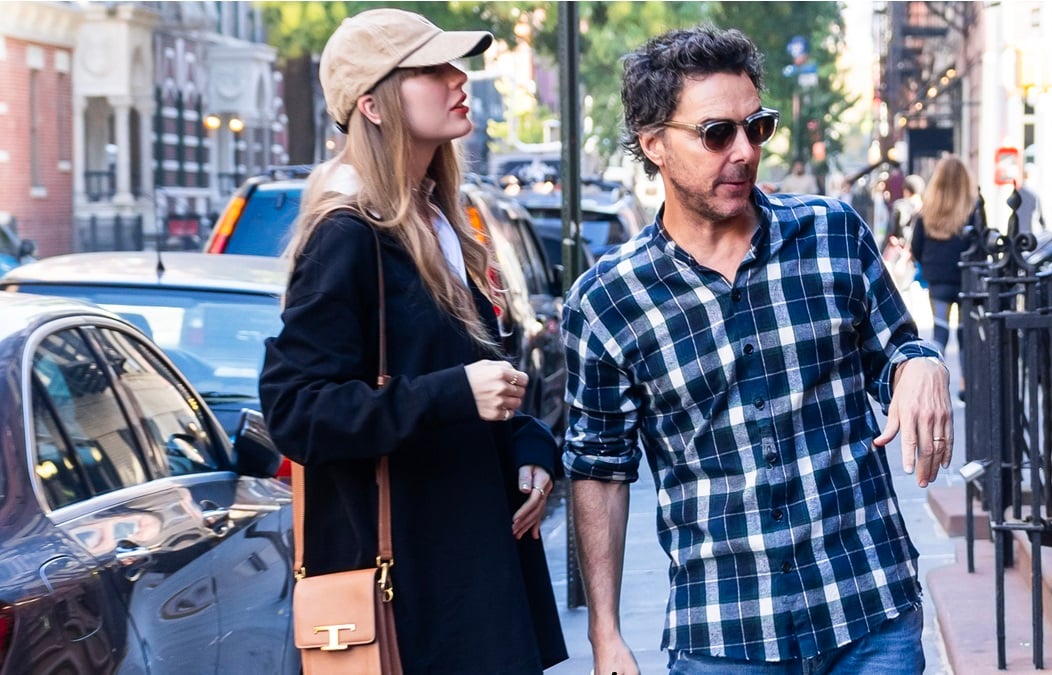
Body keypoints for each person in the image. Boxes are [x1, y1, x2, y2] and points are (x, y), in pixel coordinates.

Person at [562, 25, 953, 675]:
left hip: (868, 609)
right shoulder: (608, 300)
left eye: (757, 127)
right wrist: (605, 632)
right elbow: (599, 469)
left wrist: (925, 362)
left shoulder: (831, 234)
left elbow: (900, 348)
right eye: (717, 133)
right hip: (725, 632)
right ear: (654, 143)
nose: (743, 151)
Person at [257, 9, 567, 673]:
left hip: (477, 573)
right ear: (372, 104)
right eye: (431, 70)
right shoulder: (348, 236)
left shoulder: (440, 224)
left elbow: (483, 378)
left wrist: (532, 445)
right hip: (417, 602)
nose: (460, 79)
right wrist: (449, 394)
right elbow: (296, 410)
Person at [909, 155, 975, 397]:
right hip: (965, 278)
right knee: (966, 332)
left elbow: (916, 245)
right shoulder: (972, 207)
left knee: (940, 332)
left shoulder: (928, 209)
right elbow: (978, 243)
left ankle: (937, 387)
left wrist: (926, 265)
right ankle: (966, 384)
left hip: (937, 279)